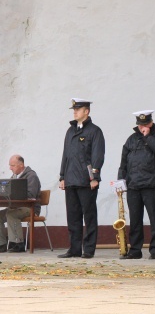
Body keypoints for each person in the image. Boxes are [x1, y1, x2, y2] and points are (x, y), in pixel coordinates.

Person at [58, 98, 105, 259]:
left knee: (89, 216)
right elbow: (66, 155)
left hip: (86, 181)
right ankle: (74, 248)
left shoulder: (94, 131)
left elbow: (97, 156)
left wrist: (94, 177)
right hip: (71, 180)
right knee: (73, 216)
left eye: (78, 109)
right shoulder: (70, 131)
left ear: (86, 111)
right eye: (74, 109)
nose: (75, 112)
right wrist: (62, 176)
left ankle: (89, 249)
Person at [117, 110, 155, 260]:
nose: (142, 127)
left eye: (145, 124)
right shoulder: (131, 139)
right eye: (140, 125)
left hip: (152, 185)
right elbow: (123, 162)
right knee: (135, 220)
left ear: (151, 123)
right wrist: (121, 181)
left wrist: (148, 137)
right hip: (133, 186)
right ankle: (135, 249)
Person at [0, 155, 41, 252]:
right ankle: (1, 244)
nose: (10, 168)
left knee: (11, 214)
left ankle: (18, 244)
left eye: (12, 165)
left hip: (30, 208)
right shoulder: (14, 176)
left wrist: (14, 195)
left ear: (21, 165)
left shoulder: (31, 176)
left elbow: (31, 194)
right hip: (16, 207)